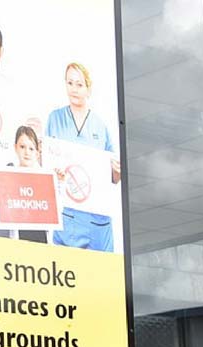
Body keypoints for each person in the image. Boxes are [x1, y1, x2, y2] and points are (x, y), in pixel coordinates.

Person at [45, 62, 120, 252]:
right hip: (68, 213)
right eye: (70, 83)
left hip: (96, 218)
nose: (74, 89)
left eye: (79, 84)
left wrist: (118, 171)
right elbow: (46, 165)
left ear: (89, 88)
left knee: (101, 276)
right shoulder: (55, 119)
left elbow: (114, 177)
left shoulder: (100, 126)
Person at [7, 125, 49, 243]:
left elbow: (56, 212)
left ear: (37, 152)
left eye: (31, 148)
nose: (27, 152)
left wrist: (60, 183)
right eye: (22, 147)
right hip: (19, 244)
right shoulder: (8, 177)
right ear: (15, 148)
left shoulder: (45, 179)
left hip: (42, 243)